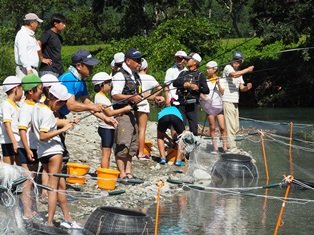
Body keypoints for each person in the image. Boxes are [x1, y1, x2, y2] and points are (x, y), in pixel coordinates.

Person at [32, 83, 82, 228]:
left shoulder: (38, 106)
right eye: (61, 104)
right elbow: (43, 135)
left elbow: (51, 122)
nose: (60, 107)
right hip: (53, 151)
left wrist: (68, 121)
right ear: (56, 101)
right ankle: (50, 223)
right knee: (53, 189)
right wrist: (63, 129)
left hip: (42, 152)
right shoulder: (48, 112)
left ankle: (67, 218)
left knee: (59, 186)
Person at [58, 49, 117, 159]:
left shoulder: (81, 81)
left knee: (60, 155)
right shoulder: (69, 79)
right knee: (58, 155)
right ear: (79, 66)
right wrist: (92, 106)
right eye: (89, 66)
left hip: (61, 117)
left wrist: (105, 118)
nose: (92, 69)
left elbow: (87, 102)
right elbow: (71, 105)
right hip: (53, 117)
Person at [111, 48, 144, 180]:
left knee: (132, 145)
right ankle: (122, 173)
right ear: (128, 61)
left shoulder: (135, 75)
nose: (139, 63)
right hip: (122, 113)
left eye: (140, 60)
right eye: (137, 60)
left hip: (132, 113)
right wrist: (131, 97)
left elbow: (139, 94)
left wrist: (154, 97)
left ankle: (129, 172)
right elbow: (115, 95)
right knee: (123, 143)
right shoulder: (120, 75)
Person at [92, 72, 132, 168]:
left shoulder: (102, 96)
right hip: (106, 128)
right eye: (108, 83)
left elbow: (108, 112)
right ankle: (104, 174)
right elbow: (109, 113)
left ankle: (104, 171)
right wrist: (125, 109)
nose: (110, 85)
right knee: (106, 153)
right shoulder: (100, 97)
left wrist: (119, 113)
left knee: (107, 152)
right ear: (102, 84)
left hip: (107, 127)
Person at [18, 74, 43, 221]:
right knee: (27, 180)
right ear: (30, 92)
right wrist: (27, 150)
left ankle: (32, 208)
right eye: (39, 89)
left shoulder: (35, 105)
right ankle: (27, 211)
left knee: (32, 179)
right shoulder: (26, 108)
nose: (41, 91)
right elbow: (22, 130)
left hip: (34, 147)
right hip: (26, 148)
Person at [221, 51, 254, 151]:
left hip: (235, 101)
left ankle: (229, 143)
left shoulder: (240, 73)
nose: (237, 62)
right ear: (232, 60)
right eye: (235, 60)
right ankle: (232, 148)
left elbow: (241, 88)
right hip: (227, 100)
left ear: (241, 62)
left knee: (236, 127)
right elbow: (234, 75)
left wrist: (247, 88)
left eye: (239, 61)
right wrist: (247, 70)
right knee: (230, 126)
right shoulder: (228, 68)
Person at [173, 52, 209, 136]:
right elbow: (175, 83)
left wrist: (197, 88)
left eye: (188, 59)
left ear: (195, 62)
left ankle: (194, 143)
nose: (186, 60)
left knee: (193, 125)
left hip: (192, 103)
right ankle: (179, 144)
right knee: (180, 123)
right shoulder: (183, 73)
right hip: (181, 102)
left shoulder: (200, 75)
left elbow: (206, 90)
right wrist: (184, 83)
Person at [137, 58, 164, 160]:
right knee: (142, 129)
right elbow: (160, 88)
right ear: (146, 68)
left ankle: (134, 150)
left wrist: (150, 97)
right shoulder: (150, 77)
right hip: (143, 105)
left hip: (133, 105)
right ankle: (140, 153)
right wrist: (154, 97)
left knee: (135, 129)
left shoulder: (134, 76)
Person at [200, 61, 227, 153]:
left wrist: (218, 83)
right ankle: (215, 148)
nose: (207, 70)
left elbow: (223, 92)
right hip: (209, 107)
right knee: (212, 127)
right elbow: (201, 92)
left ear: (215, 69)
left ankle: (225, 147)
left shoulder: (221, 79)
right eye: (206, 68)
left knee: (222, 127)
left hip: (219, 106)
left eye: (209, 68)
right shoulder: (205, 81)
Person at [0, 76, 23, 165]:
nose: (22, 92)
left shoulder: (16, 106)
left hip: (17, 140)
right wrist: (14, 141)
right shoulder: (6, 104)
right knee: (8, 169)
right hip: (9, 141)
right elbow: (7, 124)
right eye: (21, 89)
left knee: (19, 169)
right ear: (16, 89)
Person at [14, 13, 43, 79]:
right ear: (32, 23)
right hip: (26, 70)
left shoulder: (30, 34)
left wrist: (42, 59)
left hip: (31, 69)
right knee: (26, 89)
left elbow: (37, 48)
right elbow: (22, 53)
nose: (38, 25)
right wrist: (28, 69)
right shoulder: (22, 34)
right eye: (37, 22)